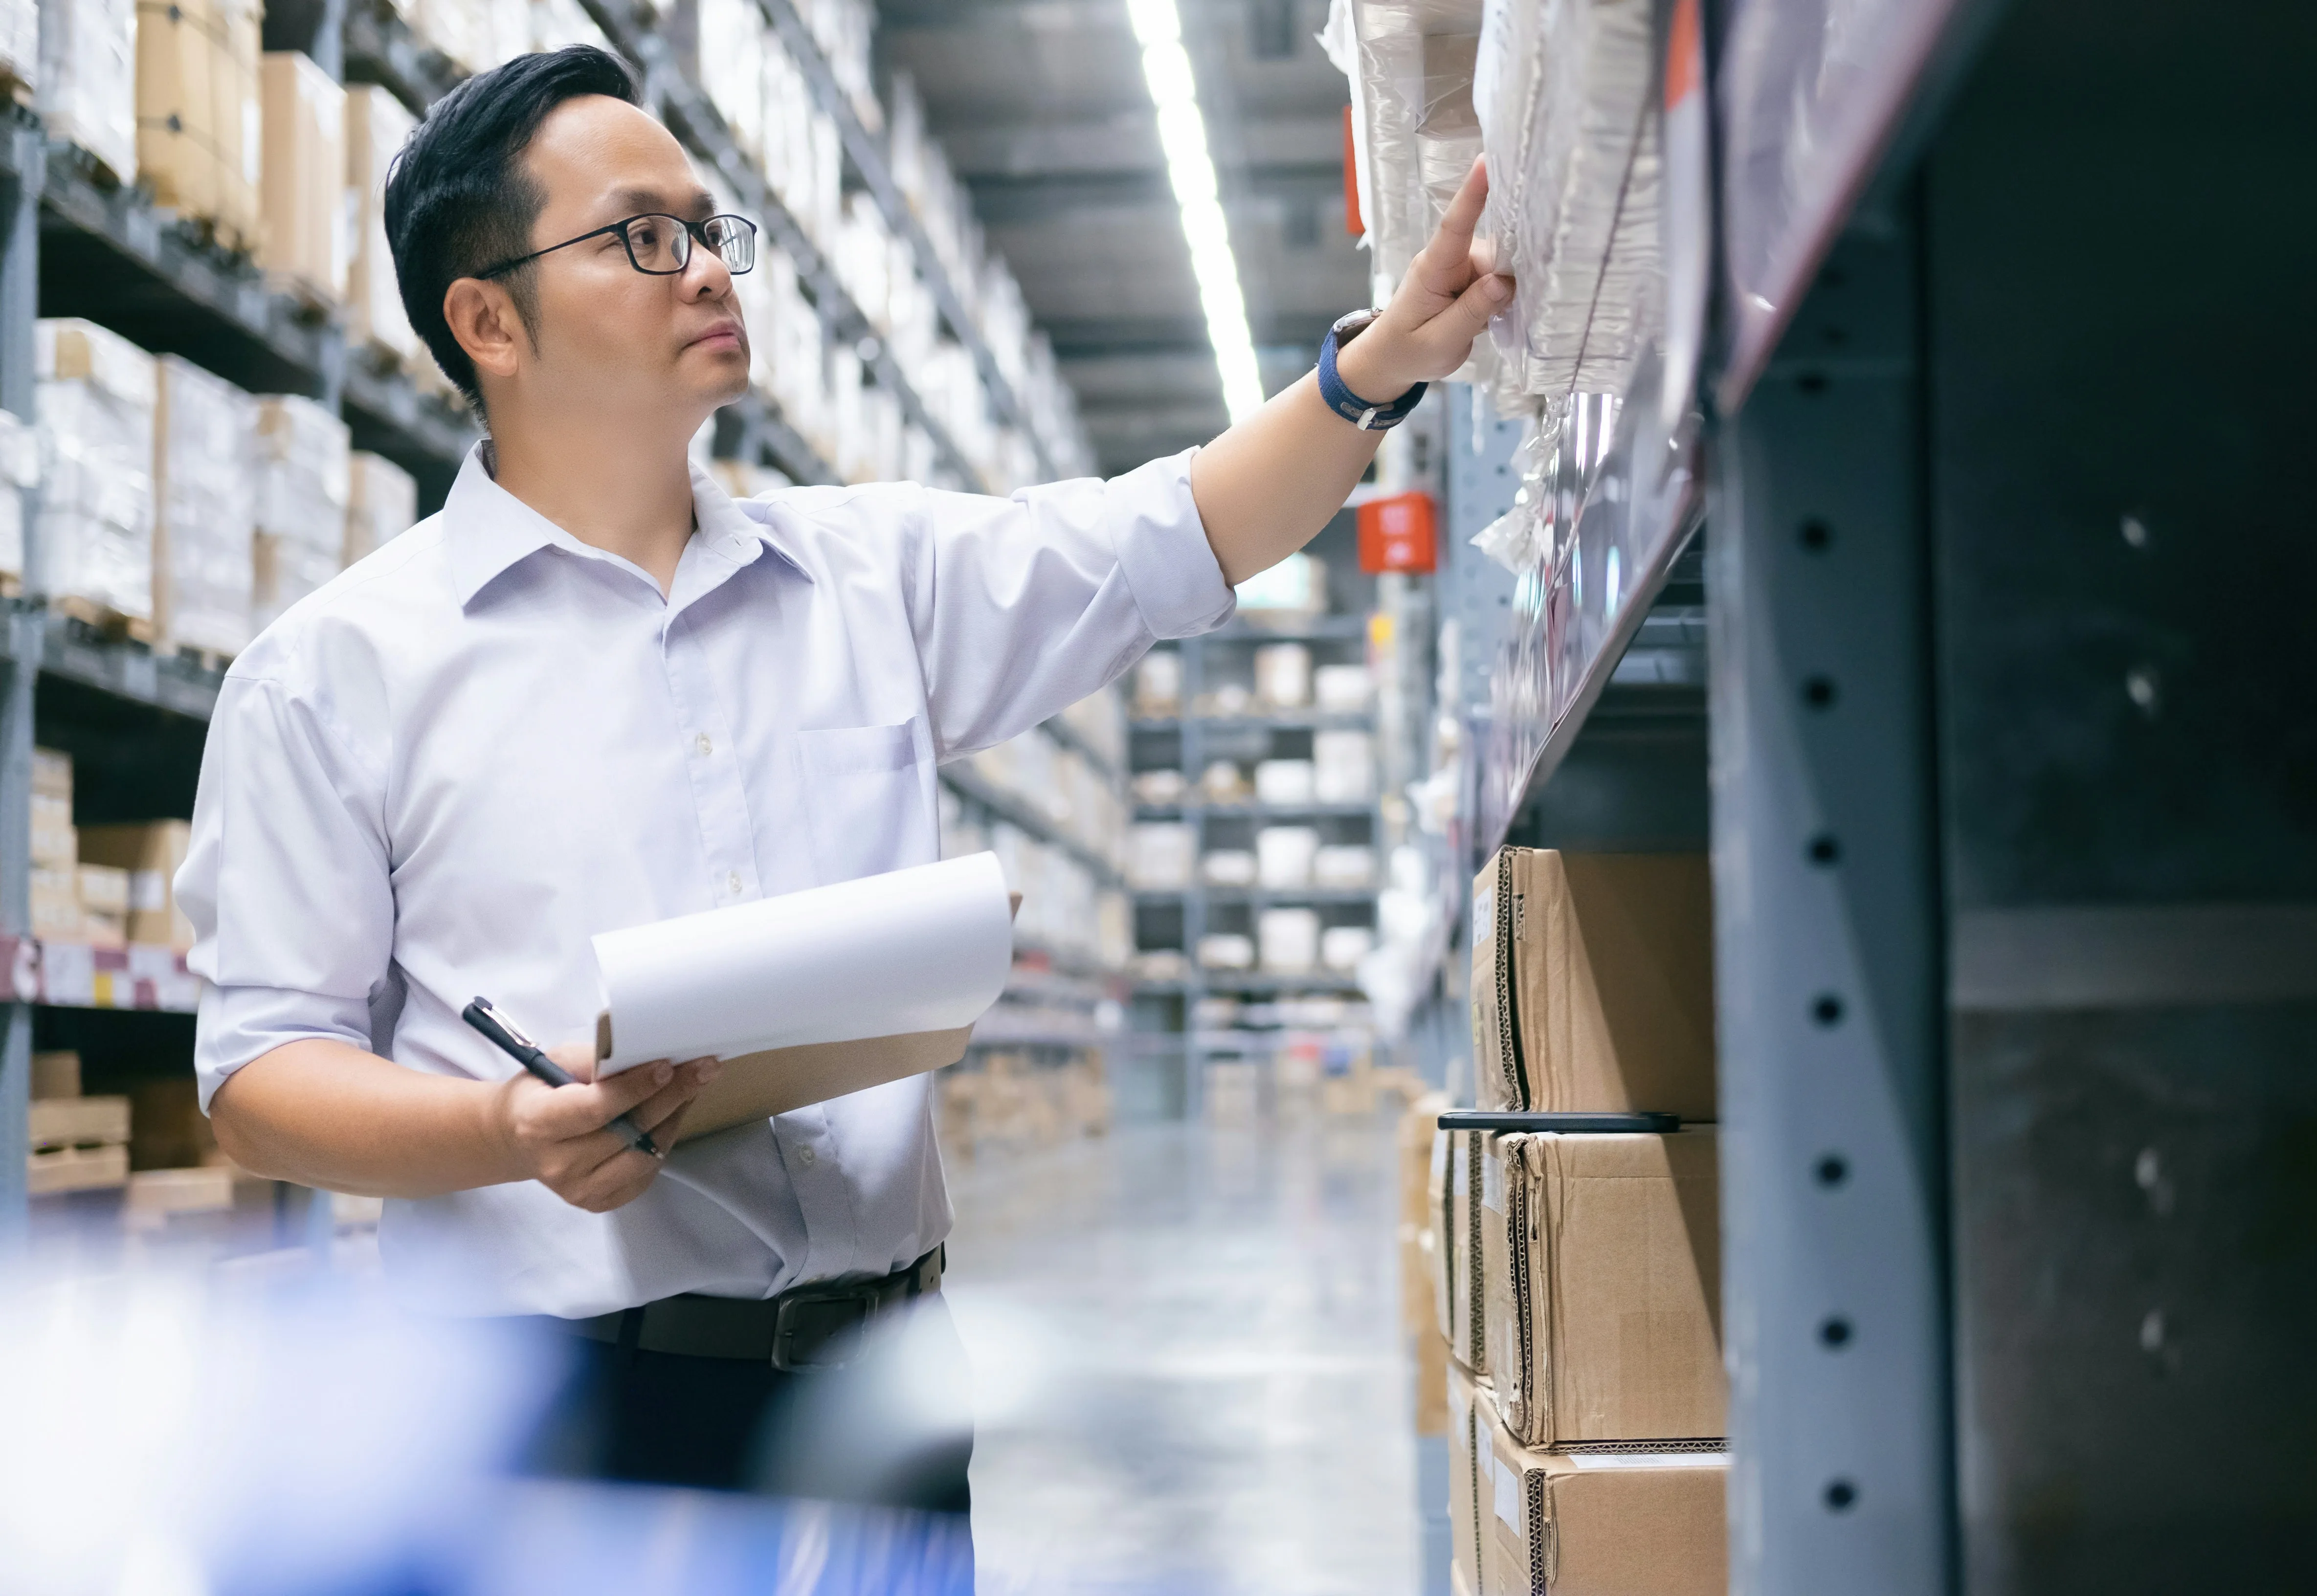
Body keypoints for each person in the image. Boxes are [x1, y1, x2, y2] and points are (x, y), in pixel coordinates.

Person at [181, 42, 1510, 1545]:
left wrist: (1377, 365)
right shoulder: (336, 675)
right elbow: (261, 1076)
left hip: (887, 1392)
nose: (704, 270)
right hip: (570, 1417)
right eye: (640, 237)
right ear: (488, 318)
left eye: (706, 228)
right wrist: (505, 1127)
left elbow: (1176, 535)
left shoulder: (865, 576)